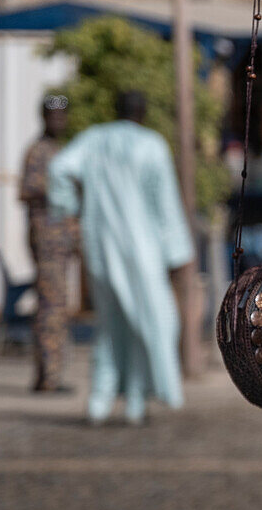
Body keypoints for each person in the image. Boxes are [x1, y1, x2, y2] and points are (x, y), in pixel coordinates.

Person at [48, 91, 194, 424]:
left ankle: (100, 402)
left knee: (111, 325)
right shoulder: (151, 144)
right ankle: (135, 403)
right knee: (149, 320)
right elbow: (166, 202)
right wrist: (178, 252)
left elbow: (58, 168)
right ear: (142, 113)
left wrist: (68, 207)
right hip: (143, 248)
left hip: (100, 247)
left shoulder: (94, 139)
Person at [19, 95, 79, 392]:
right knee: (51, 307)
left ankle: (50, 375)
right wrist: (56, 189)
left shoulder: (62, 150)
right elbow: (27, 190)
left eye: (62, 115)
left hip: (62, 241)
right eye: (54, 116)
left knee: (57, 305)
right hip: (47, 240)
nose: (59, 121)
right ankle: (49, 377)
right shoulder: (38, 151)